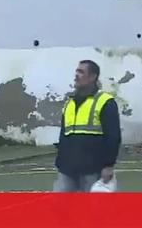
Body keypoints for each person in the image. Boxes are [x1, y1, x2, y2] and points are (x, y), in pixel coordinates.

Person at [54, 60, 121, 192]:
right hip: (67, 169)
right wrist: (60, 162)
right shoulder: (70, 103)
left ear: (92, 77)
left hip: (92, 170)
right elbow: (64, 134)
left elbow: (113, 136)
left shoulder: (105, 102)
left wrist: (108, 166)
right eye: (76, 71)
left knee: (92, 210)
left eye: (81, 72)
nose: (76, 75)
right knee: (60, 208)